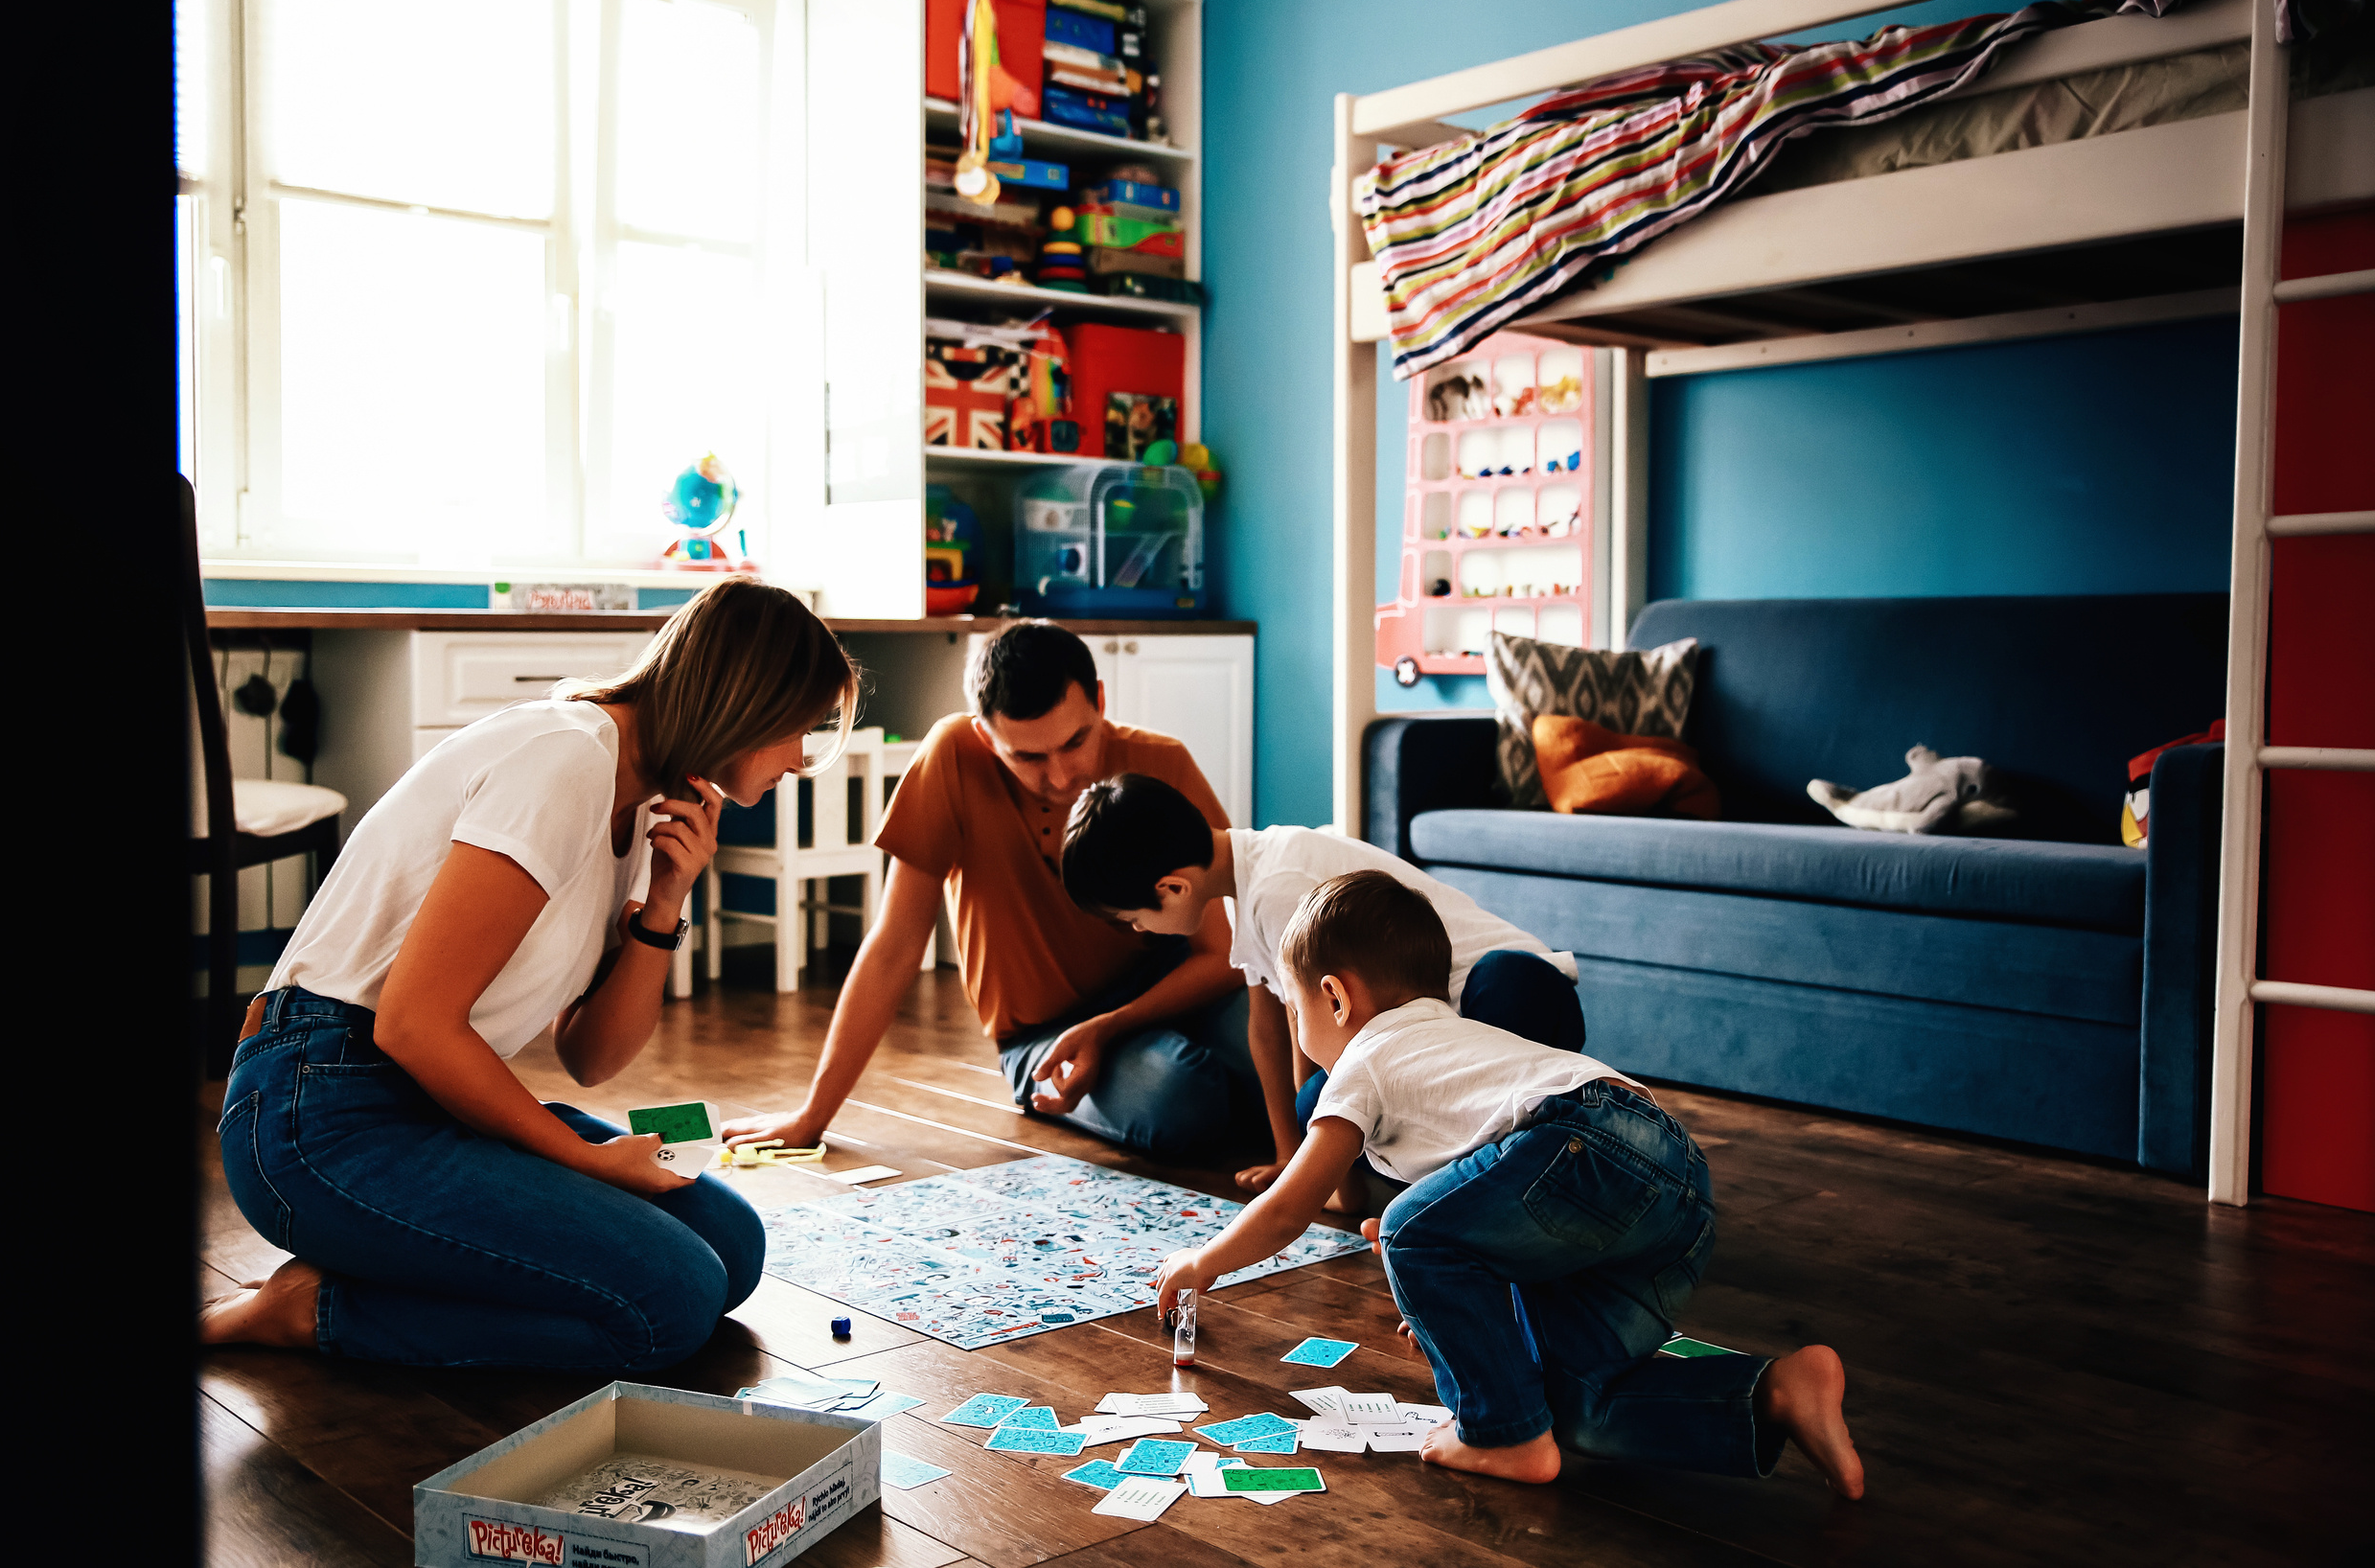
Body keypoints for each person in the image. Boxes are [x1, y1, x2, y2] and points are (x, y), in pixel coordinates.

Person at [200, 579, 858, 1371]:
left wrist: (665, 905)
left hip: (431, 1100)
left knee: (733, 1245)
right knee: (672, 1302)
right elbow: (410, 1021)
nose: (799, 758)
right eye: (800, 728)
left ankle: (402, 1262)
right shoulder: (569, 755)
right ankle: (314, 1308)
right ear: (744, 701)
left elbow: (591, 1057)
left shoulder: (635, 794)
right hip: (321, 1114)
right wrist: (580, 1158)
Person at [1151, 870, 1865, 1497]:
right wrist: (1453, 1312)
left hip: (1590, 1138)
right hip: (1674, 1186)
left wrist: (1201, 1261)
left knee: (1404, 1226)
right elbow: (1507, 1222)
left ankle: (1499, 1435)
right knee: (1571, 1403)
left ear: (1334, 998)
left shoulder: (1367, 1057)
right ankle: (1776, 1391)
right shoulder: (1453, 1038)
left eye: (1295, 1007)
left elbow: (1289, 1208)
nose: (1300, 1025)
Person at [728, 621, 1260, 1160]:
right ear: (986, 736)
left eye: (1076, 741)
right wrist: (812, 1117)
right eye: (1027, 757)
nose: (1059, 777)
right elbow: (894, 947)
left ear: (1099, 700)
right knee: (1181, 1097)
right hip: (1044, 1035)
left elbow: (1221, 956)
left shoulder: (1162, 760)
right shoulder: (954, 755)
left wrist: (1110, 1027)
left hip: (1176, 994)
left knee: (1300, 1051)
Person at [1058, 772, 1582, 1196]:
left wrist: (1322, 1170)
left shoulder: (1277, 888)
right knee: (1318, 1103)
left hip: (1514, 999)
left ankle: (1484, 1185)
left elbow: (1312, 1030)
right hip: (1429, 1043)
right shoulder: (1245, 895)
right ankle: (1461, 1178)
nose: (1139, 931)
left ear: (1171, 888)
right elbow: (1268, 1029)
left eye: (1133, 919)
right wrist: (1291, 1158)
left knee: (1345, 1098)